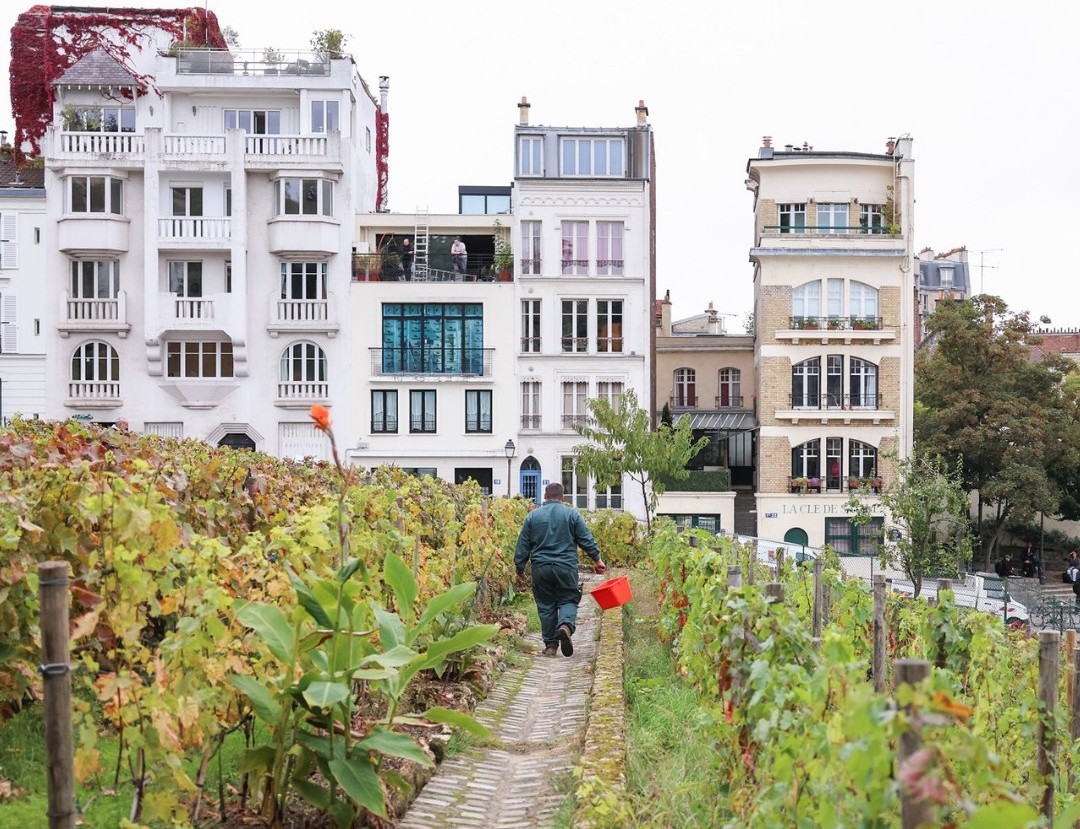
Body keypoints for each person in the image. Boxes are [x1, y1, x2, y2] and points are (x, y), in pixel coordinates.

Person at [514, 482, 606, 657]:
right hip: (566, 567)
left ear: (545, 497)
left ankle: (550, 645)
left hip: (541, 568)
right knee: (568, 599)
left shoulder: (532, 517)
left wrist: (519, 568)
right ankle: (565, 626)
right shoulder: (572, 514)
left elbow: (522, 546)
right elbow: (586, 538)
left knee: (546, 605)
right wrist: (597, 559)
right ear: (563, 498)